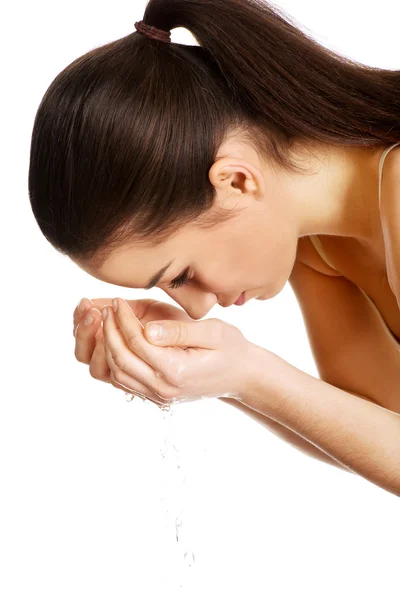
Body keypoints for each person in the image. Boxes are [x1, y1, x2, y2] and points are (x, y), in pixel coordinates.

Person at [28, 0, 400, 494]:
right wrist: (207, 372)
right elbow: (379, 429)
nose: (197, 307)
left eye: (180, 274)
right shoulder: (314, 248)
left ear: (235, 180)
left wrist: (246, 373)